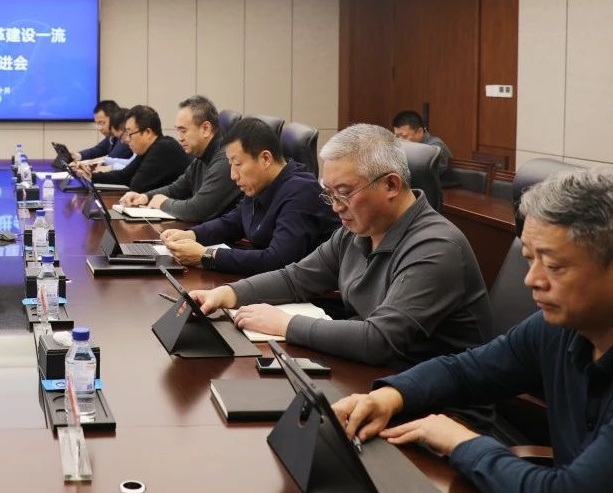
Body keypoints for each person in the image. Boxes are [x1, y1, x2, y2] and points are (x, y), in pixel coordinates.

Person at [332, 169, 613, 493]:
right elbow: (467, 370)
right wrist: (390, 397)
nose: (531, 279)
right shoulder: (563, 325)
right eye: (530, 259)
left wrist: (462, 442)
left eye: (553, 265)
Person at [187, 123, 490, 368]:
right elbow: (296, 278)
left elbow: (380, 340)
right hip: (377, 377)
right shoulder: (357, 231)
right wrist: (228, 293)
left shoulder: (436, 247)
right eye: (329, 194)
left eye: (343, 193)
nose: (335, 206)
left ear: (391, 185)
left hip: (439, 406)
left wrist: (286, 324)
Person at [161, 116, 339, 272]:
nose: (233, 175)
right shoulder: (261, 183)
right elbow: (234, 222)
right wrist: (192, 235)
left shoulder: (301, 192)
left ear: (265, 159)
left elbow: (278, 260)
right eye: (230, 164)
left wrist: (206, 255)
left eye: (238, 164)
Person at [118, 95, 240, 223]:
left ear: (206, 129)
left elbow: (197, 210)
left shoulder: (225, 158)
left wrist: (163, 203)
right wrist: (145, 197)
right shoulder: (201, 157)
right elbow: (176, 189)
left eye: (183, 131)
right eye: (178, 131)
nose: (180, 138)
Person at [87, 105, 189, 193]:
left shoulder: (163, 148)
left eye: (130, 133)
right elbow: (124, 175)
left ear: (147, 133)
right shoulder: (147, 148)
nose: (127, 139)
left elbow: (137, 186)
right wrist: (89, 176)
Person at [392, 110, 457, 188]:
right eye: (397, 136)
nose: (400, 140)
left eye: (404, 136)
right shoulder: (403, 146)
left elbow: (427, 175)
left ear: (420, 131)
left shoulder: (435, 147)